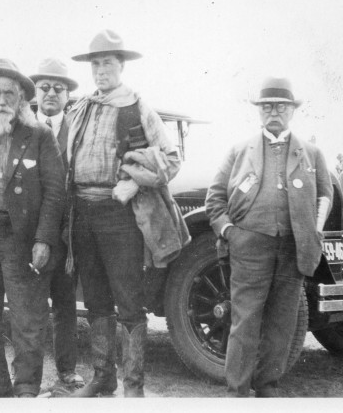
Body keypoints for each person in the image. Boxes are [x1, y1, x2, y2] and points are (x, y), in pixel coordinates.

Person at [66, 30, 182, 397]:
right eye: (96, 64)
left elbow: (172, 158)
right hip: (82, 213)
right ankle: (103, 377)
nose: (101, 71)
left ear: (121, 66)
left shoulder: (137, 107)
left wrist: (135, 183)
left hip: (120, 216)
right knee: (96, 299)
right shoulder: (81, 107)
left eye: (108, 64)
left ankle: (134, 388)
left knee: (129, 301)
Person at [205, 77, 332, 397]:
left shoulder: (312, 153)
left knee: (282, 325)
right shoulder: (238, 151)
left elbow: (325, 196)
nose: (274, 112)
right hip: (250, 246)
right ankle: (237, 391)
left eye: (281, 107)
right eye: (267, 107)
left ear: (292, 111)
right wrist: (230, 233)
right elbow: (215, 199)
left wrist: (313, 229)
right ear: (259, 112)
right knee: (245, 321)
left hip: (293, 248)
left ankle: (267, 387)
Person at [0, 59, 65, 397]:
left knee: (28, 319)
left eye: (9, 93)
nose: (1, 100)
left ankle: (25, 388)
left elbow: (54, 192)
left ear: (21, 99)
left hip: (23, 237)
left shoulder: (39, 136)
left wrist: (44, 239)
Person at [28, 58, 83, 389]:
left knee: (65, 305)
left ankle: (67, 369)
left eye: (58, 88)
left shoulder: (76, 129)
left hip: (67, 235)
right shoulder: (24, 129)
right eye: (44, 87)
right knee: (31, 308)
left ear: (67, 95)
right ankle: (29, 377)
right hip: (30, 235)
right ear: (35, 92)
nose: (50, 93)